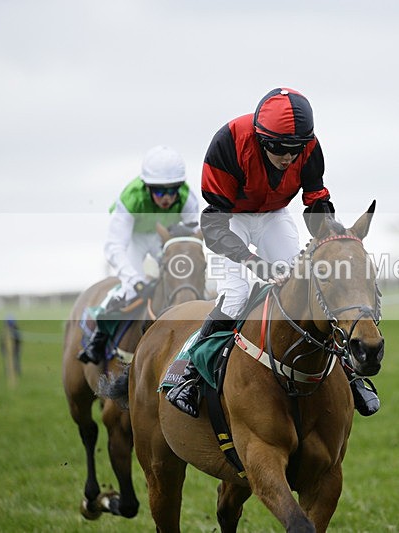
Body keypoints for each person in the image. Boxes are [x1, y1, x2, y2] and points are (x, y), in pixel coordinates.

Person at [165, 88, 380, 417]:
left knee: (301, 289)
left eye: (296, 150)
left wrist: (331, 230)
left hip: (274, 216)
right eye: (281, 149)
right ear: (262, 138)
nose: (289, 158)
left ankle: (348, 375)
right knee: (236, 295)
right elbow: (214, 225)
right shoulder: (227, 144)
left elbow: (315, 201)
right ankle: (189, 372)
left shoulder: (309, 147)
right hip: (230, 219)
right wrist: (252, 261)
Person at [78, 145, 200, 364]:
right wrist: (133, 279)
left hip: (165, 241)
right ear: (147, 187)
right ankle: (98, 337)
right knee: (130, 290)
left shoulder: (187, 197)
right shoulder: (131, 197)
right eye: (160, 191)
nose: (167, 198)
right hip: (135, 240)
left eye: (172, 190)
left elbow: (191, 239)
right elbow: (114, 247)